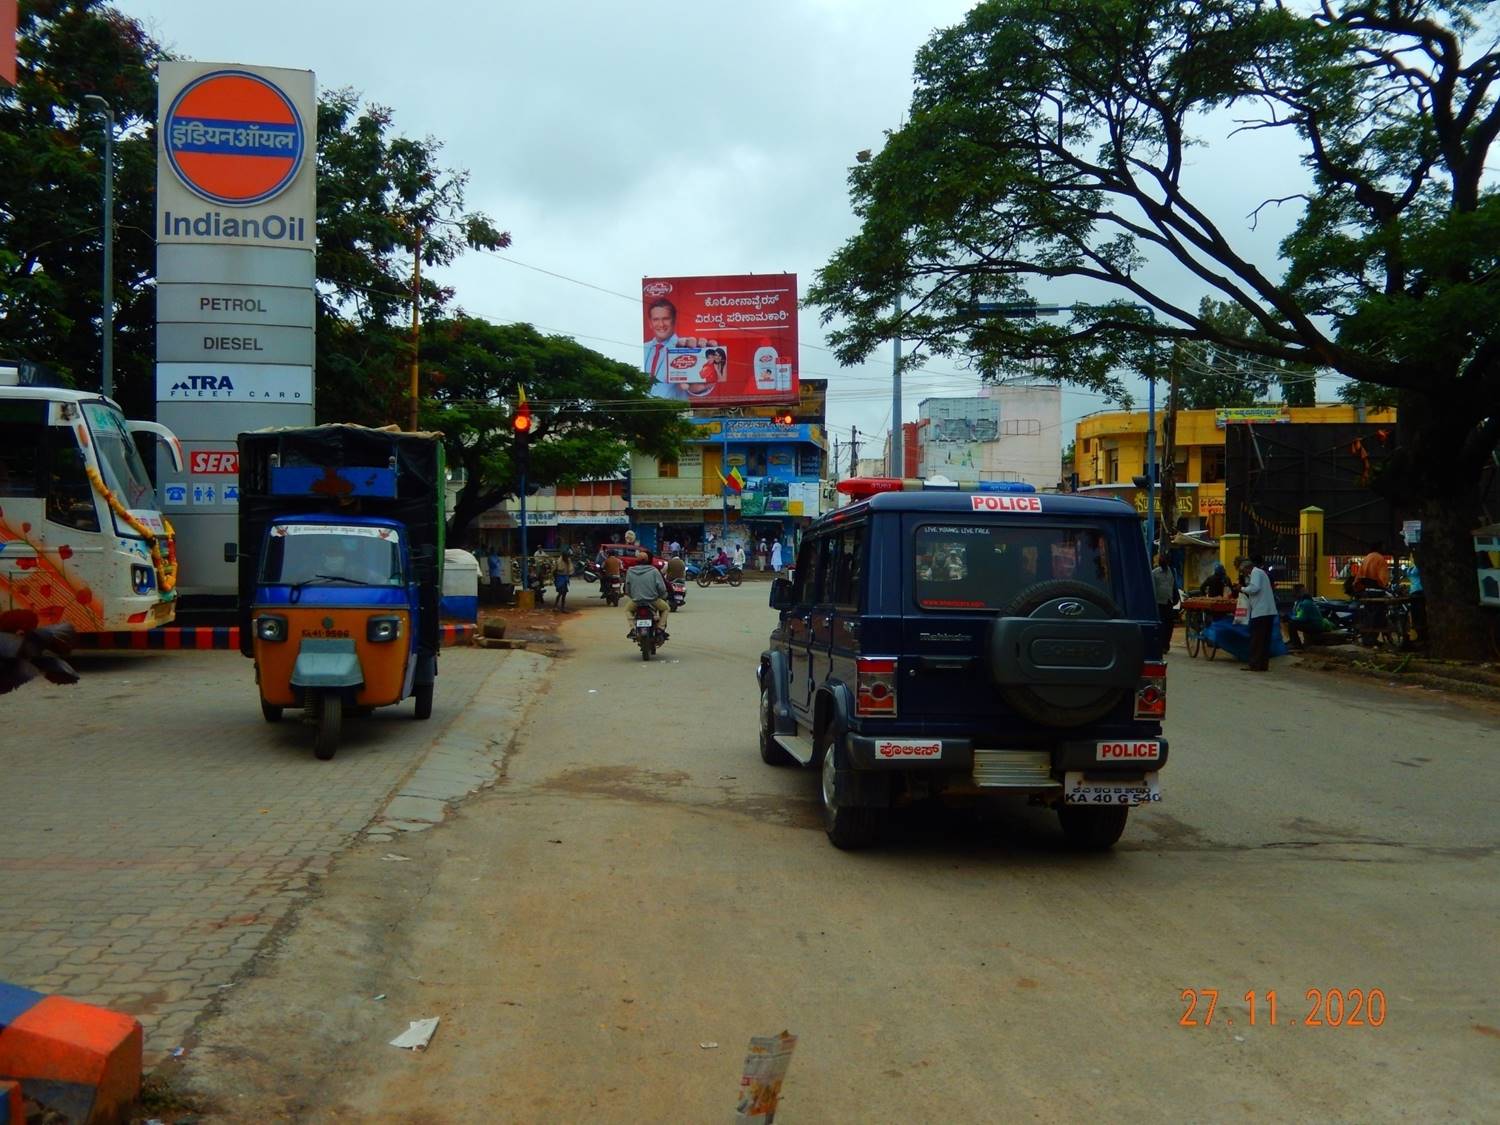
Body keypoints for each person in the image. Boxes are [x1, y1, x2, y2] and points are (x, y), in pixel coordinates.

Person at [1240, 555, 1278, 671]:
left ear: (1248, 568)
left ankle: (1255, 664)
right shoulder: (1261, 573)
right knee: (1264, 640)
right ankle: (1262, 664)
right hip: (1268, 611)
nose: (1245, 574)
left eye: (1244, 571)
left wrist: (1242, 589)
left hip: (1260, 612)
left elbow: (1254, 589)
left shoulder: (1256, 573)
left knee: (1257, 639)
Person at [624, 550, 669, 632]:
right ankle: (660, 628)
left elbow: (627, 588)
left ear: (636, 560)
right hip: (653, 600)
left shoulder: (630, 571)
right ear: (648, 560)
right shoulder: (654, 571)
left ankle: (633, 628)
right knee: (666, 608)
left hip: (636, 600)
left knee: (627, 610)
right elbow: (661, 588)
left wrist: (633, 596)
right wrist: (663, 596)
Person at [1287, 584, 1335, 649]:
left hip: (1316, 626)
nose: (1293, 593)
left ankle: (1296, 645)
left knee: (1292, 624)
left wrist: (1290, 617)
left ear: (1299, 592)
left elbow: (1302, 618)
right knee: (1290, 622)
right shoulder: (1299, 602)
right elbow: (1296, 614)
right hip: (1311, 623)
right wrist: (1290, 617)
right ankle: (1293, 641)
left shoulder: (1306, 603)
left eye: (1294, 591)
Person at [1152, 554, 1177, 652]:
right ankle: (1161, 645)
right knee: (1161, 625)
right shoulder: (1154, 573)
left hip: (1168, 602)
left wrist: (1176, 597)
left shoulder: (1171, 571)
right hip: (1159, 603)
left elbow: (1174, 585)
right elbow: (1153, 589)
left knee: (1169, 625)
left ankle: (1166, 644)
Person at [554, 546, 573, 613]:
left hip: (565, 578)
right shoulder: (559, 561)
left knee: (564, 593)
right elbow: (559, 569)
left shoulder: (568, 560)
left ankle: (562, 608)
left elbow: (570, 569)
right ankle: (555, 606)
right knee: (560, 593)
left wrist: (569, 574)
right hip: (560, 578)